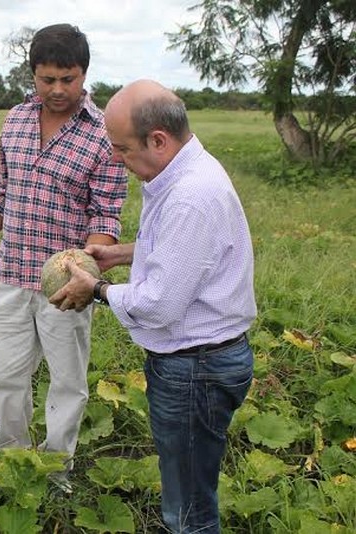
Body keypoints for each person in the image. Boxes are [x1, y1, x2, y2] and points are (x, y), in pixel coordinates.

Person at [50, 79, 256, 532]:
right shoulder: (186, 172)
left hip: (196, 369)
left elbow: (159, 304)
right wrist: (123, 253)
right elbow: (183, 252)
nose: (116, 160)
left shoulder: (190, 197)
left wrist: (97, 289)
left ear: (158, 140)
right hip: (201, 363)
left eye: (122, 149)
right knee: (189, 487)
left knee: (188, 510)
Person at [0, 23, 128, 492]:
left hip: (65, 285)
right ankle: (12, 462)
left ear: (84, 74)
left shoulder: (104, 134)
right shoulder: (16, 120)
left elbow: (106, 213)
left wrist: (84, 272)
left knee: (67, 383)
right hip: (10, 273)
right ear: (33, 75)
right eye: (47, 79)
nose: (58, 89)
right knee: (4, 378)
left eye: (68, 78)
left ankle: (57, 471)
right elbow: (0, 192)